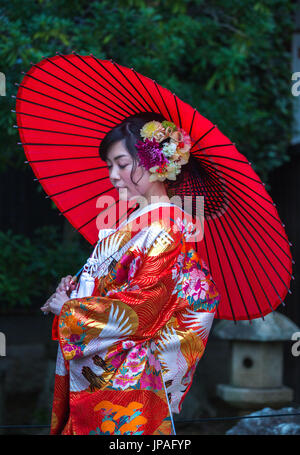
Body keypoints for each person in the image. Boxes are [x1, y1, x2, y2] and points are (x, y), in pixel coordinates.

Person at [41, 112, 220, 435]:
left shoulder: (167, 225)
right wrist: (77, 288)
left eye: (122, 164)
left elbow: (143, 308)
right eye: (109, 166)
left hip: (126, 381)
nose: (113, 175)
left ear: (156, 163)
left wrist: (68, 310)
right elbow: (110, 283)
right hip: (103, 369)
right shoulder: (132, 223)